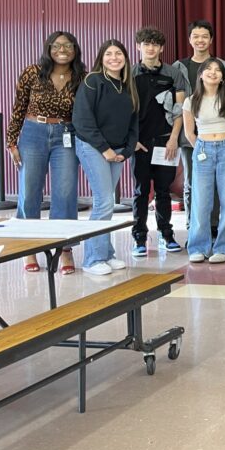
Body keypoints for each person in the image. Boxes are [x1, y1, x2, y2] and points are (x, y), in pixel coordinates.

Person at [7, 31, 85, 274]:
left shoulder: (82, 76)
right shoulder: (32, 72)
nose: (62, 49)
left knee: (65, 192)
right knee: (30, 190)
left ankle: (64, 249)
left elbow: (86, 112)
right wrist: (12, 141)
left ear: (75, 49)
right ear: (48, 48)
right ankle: (29, 247)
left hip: (67, 134)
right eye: (57, 45)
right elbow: (18, 107)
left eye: (68, 45)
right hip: (33, 132)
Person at [73, 40, 139, 275]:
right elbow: (82, 120)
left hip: (117, 150)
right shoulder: (93, 81)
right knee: (104, 201)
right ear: (101, 58)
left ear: (125, 58)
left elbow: (133, 122)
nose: (114, 58)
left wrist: (127, 150)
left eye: (118, 53)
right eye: (108, 54)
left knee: (107, 202)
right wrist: (105, 149)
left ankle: (107, 254)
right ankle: (92, 259)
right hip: (93, 147)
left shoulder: (127, 85)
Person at [131, 27, 188, 257]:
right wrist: (132, 140)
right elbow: (126, 111)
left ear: (161, 48)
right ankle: (139, 239)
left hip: (166, 141)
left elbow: (180, 109)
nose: (151, 48)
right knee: (141, 191)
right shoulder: (130, 73)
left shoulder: (173, 74)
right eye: (146, 44)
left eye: (155, 44)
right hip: (140, 143)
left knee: (164, 191)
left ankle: (167, 235)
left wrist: (174, 138)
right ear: (139, 47)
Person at [182, 58, 225, 263]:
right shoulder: (191, 100)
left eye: (217, 70)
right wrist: (202, 148)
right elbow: (189, 132)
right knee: (201, 201)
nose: (213, 72)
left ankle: (224, 247)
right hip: (203, 149)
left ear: (222, 77)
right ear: (200, 75)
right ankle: (198, 247)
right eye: (208, 69)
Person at [174, 20, 225, 230]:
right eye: (196, 36)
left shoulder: (223, 67)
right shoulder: (179, 67)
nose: (200, 40)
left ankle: (215, 225)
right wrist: (190, 137)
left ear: (211, 40)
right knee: (192, 183)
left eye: (204, 36)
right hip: (190, 137)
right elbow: (177, 104)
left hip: (222, 138)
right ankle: (194, 227)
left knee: (219, 184)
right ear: (190, 39)